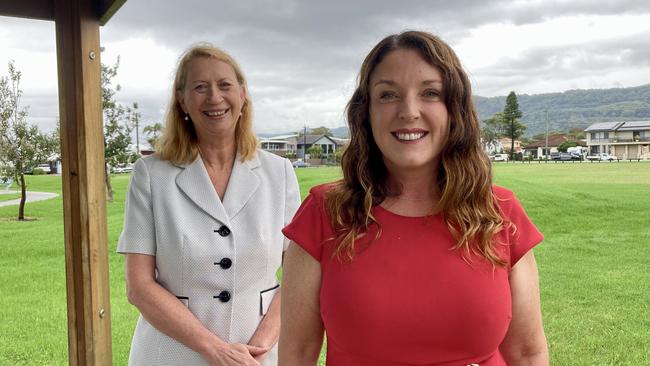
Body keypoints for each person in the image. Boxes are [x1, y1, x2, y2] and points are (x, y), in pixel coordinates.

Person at [279, 31, 549, 365]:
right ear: (366, 112)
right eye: (388, 94)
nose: (409, 111)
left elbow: (526, 352)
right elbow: (297, 353)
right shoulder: (324, 213)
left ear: (454, 110)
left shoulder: (500, 214)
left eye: (430, 93)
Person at [117, 43, 300, 366]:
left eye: (225, 85)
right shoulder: (150, 175)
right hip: (173, 355)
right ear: (182, 101)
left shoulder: (280, 173)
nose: (214, 97)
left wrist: (258, 347)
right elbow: (139, 286)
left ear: (242, 95)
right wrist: (215, 349)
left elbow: (299, 275)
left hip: (259, 356)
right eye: (200, 87)